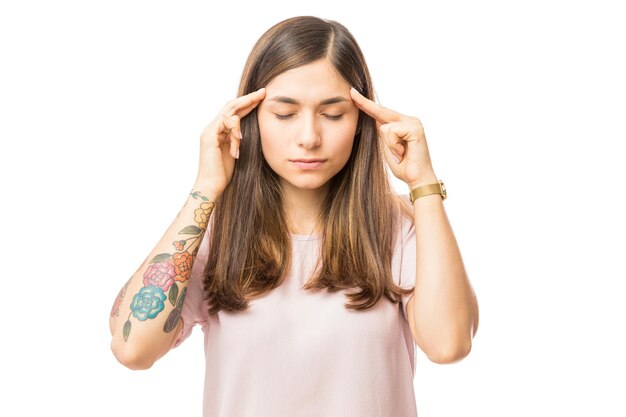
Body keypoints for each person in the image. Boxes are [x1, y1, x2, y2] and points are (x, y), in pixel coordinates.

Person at [109, 15, 479, 417]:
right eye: (284, 114)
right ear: (250, 119)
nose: (309, 136)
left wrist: (423, 183)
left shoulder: (398, 227)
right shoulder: (217, 234)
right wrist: (205, 189)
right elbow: (132, 348)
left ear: (361, 122)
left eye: (333, 114)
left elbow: (449, 344)